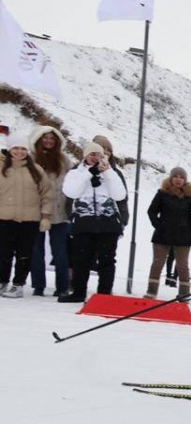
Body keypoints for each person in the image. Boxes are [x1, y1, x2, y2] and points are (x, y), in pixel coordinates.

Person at [58, 141, 127, 303]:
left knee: (107, 261)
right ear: (85, 156)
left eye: (99, 155)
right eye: (92, 154)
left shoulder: (111, 173)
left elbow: (119, 195)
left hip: (108, 223)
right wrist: (89, 173)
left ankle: (104, 294)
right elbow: (71, 192)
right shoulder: (76, 173)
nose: (95, 158)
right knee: (81, 260)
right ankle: (78, 292)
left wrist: (108, 172)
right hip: (84, 223)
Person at [0, 136, 53, 298]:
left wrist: (45, 216)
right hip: (4, 218)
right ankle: (2, 282)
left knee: (24, 254)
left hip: (29, 220)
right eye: (16, 148)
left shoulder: (36, 170)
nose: (19, 152)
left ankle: (18, 285)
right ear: (9, 150)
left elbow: (47, 195)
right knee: (3, 253)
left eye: (23, 149)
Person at [144, 167, 191, 299]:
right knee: (157, 264)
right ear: (171, 178)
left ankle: (184, 295)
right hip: (162, 235)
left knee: (182, 266)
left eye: (181, 177)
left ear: (185, 180)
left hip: (183, 236)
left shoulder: (190, 198)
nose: (178, 179)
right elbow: (151, 211)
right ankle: (151, 292)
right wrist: (159, 226)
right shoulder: (162, 193)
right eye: (176, 176)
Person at [28, 126, 71, 297]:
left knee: (60, 251)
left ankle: (62, 286)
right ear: (39, 140)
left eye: (52, 139)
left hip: (59, 212)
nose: (48, 141)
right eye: (45, 138)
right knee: (36, 250)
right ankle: (38, 285)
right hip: (35, 211)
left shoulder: (64, 160)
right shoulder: (31, 159)